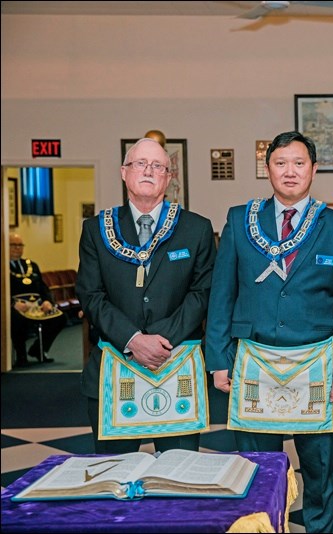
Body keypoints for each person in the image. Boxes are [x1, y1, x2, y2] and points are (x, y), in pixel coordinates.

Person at [205, 131, 333, 533]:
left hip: (316, 367)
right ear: (268, 169)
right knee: (256, 472)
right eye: (280, 163)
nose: (289, 171)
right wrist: (218, 359)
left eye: (298, 163)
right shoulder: (241, 220)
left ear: (313, 169)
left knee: (320, 471)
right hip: (253, 364)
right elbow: (221, 295)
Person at [76, 137, 217, 454]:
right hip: (114, 368)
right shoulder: (96, 230)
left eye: (158, 166)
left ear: (168, 178)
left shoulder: (196, 229)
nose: (149, 171)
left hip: (175, 363)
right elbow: (90, 294)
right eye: (140, 163)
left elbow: (203, 291)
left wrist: (159, 339)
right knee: (115, 478)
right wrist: (133, 340)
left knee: (177, 477)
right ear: (124, 172)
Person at [9, 233, 66, 367]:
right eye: (13, 245)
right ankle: (21, 355)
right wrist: (13, 304)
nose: (17, 248)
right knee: (17, 319)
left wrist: (47, 301)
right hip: (15, 307)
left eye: (20, 245)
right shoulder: (3, 268)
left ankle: (39, 350)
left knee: (59, 318)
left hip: (37, 306)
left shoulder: (32, 265)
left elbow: (42, 288)